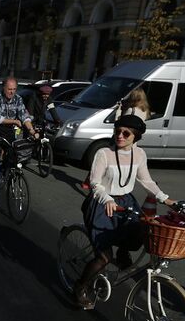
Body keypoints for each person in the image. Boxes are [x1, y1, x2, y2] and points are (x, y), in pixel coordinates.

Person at [74, 115, 177, 309]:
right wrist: (108, 199)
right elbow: (95, 183)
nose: (120, 136)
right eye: (117, 131)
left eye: (126, 133)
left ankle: (123, 251)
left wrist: (166, 199)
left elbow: (146, 181)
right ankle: (80, 287)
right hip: (101, 203)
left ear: (135, 136)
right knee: (104, 257)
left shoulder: (139, 155)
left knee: (140, 231)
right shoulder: (104, 153)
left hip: (126, 201)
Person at [0, 77, 40, 199]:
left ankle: (6, 173)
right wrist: (15, 121)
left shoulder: (18, 99)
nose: (12, 92)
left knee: (13, 154)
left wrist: (32, 131)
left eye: (14, 89)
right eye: (9, 89)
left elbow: (24, 116)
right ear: (4, 88)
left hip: (8, 132)